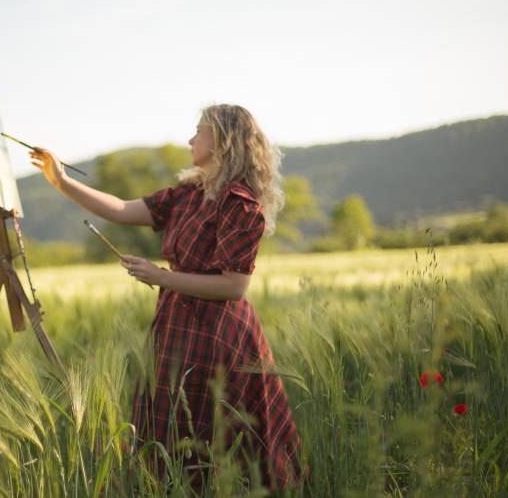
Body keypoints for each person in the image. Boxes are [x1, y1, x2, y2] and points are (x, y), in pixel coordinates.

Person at [30, 104, 303, 492]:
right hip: (175, 325)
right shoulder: (189, 194)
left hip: (217, 336)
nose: (191, 139)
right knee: (167, 435)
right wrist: (60, 180)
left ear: (222, 141)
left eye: (199, 131)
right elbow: (123, 210)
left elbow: (234, 286)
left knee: (214, 440)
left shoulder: (240, 203)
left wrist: (162, 277)